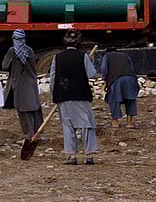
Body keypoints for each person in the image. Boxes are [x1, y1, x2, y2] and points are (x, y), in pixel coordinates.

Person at [50, 30, 99, 165]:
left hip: (63, 95)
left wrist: (54, 95)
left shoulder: (56, 57)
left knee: (67, 126)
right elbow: (92, 74)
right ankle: (88, 155)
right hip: (80, 94)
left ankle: (72, 156)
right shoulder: (82, 57)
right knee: (86, 125)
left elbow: (53, 78)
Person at [2, 29, 45, 143]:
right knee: (34, 109)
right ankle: (38, 134)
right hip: (31, 83)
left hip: (19, 84)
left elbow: (4, 65)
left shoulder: (13, 51)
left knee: (23, 110)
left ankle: (28, 135)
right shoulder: (29, 50)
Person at [101, 48, 139, 128]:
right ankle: (129, 123)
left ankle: (115, 122)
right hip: (131, 78)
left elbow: (104, 69)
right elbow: (131, 67)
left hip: (117, 79)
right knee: (131, 99)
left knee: (114, 99)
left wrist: (105, 81)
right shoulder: (125, 56)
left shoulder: (107, 56)